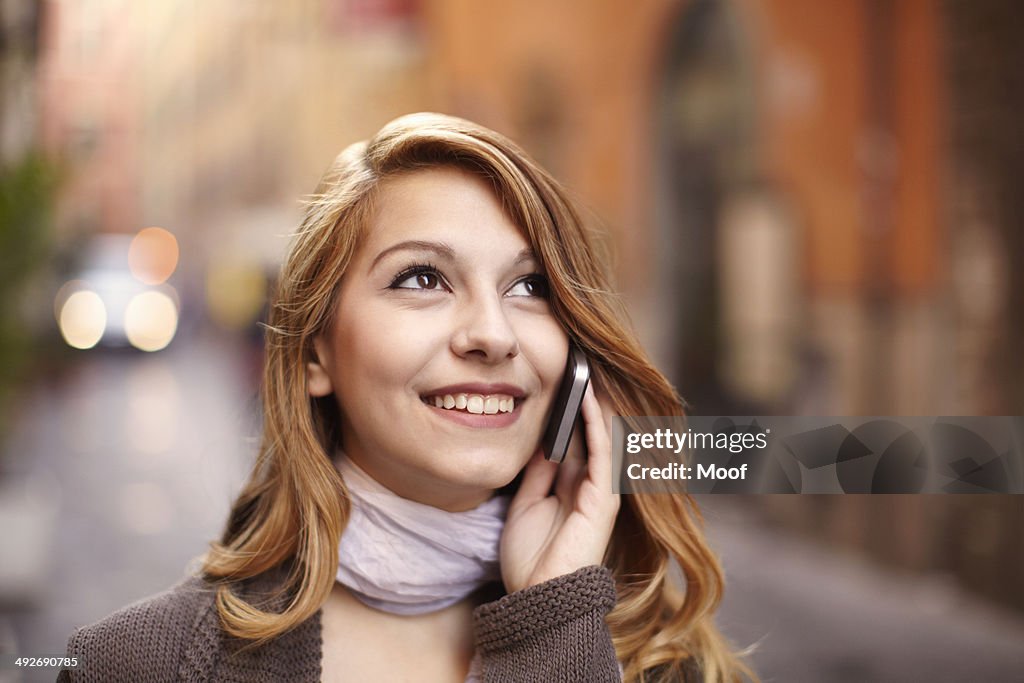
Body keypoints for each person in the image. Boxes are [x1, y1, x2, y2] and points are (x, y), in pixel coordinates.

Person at [60, 113, 753, 682]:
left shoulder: (668, 660)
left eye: (529, 286)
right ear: (314, 352)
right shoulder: (130, 665)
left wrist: (553, 623)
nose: (493, 333)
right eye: (422, 278)